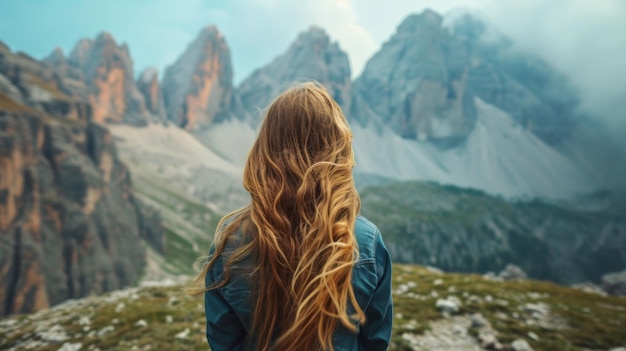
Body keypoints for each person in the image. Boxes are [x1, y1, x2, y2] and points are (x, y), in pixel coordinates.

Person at [187, 82, 393, 351]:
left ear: (265, 149)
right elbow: (375, 342)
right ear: (337, 148)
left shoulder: (230, 243)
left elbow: (223, 342)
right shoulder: (366, 242)